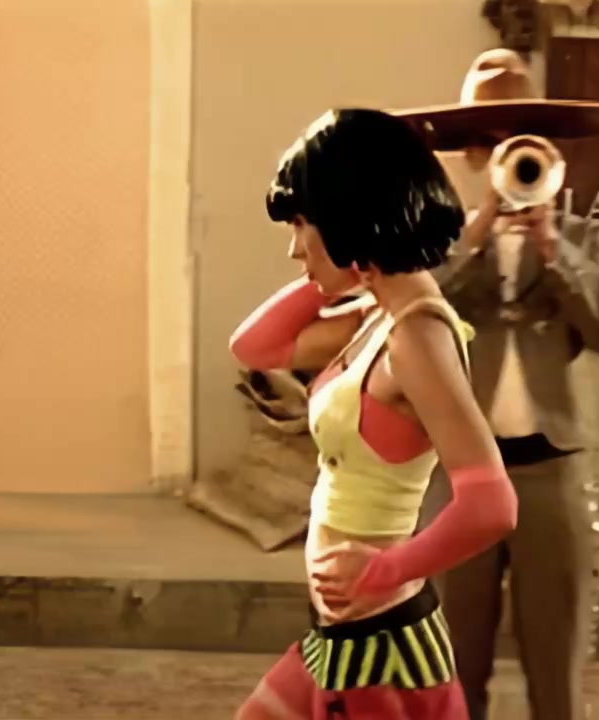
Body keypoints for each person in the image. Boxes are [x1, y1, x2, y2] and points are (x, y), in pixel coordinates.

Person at [229, 108, 518, 720]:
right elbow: (254, 348)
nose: (294, 247)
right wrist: (344, 264)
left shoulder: (418, 336)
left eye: (303, 223)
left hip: (380, 647)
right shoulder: (377, 315)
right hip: (341, 637)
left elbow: (492, 504)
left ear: (347, 213)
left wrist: (387, 568)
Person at [394, 50, 599, 720]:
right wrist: (477, 234)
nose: (508, 155)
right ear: (476, 153)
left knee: (557, 669)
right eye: (492, 139)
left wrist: (554, 248)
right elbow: (409, 314)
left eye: (521, 140)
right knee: (450, 668)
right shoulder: (438, 241)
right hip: (457, 475)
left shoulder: (587, 237)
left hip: (551, 471)